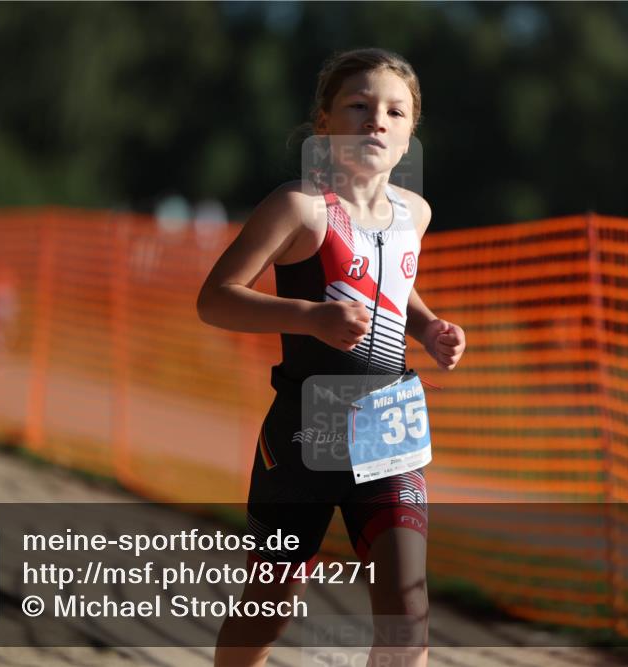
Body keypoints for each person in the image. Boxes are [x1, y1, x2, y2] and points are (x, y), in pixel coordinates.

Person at [197, 47, 466, 667]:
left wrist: (428, 327)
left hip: (388, 423)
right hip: (305, 430)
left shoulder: (415, 213)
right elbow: (215, 300)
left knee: (408, 610)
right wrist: (309, 318)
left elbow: (393, 287)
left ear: (409, 134)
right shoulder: (298, 207)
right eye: (359, 106)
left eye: (395, 112)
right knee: (271, 604)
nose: (377, 121)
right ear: (324, 123)